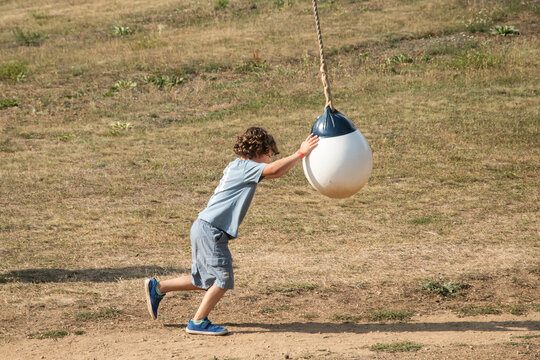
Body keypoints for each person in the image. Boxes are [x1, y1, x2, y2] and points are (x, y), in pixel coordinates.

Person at [144, 127, 319, 335]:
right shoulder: (245, 167)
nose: (270, 160)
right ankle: (198, 322)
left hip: (205, 227)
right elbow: (275, 171)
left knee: (205, 280)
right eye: (268, 155)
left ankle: (158, 288)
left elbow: (273, 172)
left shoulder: (238, 167)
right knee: (223, 279)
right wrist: (301, 153)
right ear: (257, 151)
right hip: (211, 230)